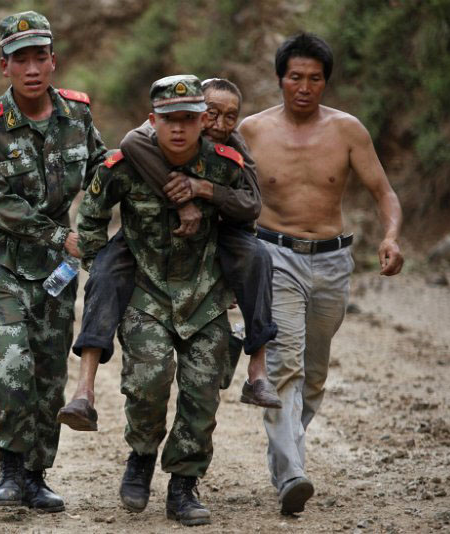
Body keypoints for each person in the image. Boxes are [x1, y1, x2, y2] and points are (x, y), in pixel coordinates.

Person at [58, 78, 282, 438]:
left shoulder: (229, 153)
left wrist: (203, 189)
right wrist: (180, 200)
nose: (219, 124)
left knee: (257, 255)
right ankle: (84, 390)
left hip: (212, 247)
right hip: (144, 248)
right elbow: (129, 147)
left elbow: (251, 205)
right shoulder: (146, 143)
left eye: (230, 117)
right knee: (105, 271)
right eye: (212, 114)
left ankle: (257, 369)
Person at [238, 32, 404, 515]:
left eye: (314, 79)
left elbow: (384, 192)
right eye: (296, 77)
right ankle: (292, 473)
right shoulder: (252, 130)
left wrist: (391, 236)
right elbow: (225, 189)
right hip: (275, 254)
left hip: (332, 260)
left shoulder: (347, 130)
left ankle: (284, 456)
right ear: (280, 79)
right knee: (284, 366)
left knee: (313, 376)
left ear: (326, 82)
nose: (305, 87)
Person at [76, 75, 245, 526]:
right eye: (170, 119)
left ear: (202, 120)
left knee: (202, 394)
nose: (179, 128)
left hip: (205, 294)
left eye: (189, 118)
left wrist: (233, 281)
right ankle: (142, 455)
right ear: (153, 120)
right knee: (148, 381)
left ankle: (184, 484)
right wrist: (104, 269)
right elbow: (90, 218)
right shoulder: (122, 165)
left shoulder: (223, 165)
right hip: (146, 292)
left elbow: (246, 218)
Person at [0, 10, 106, 513]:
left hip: (55, 273)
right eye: (20, 59)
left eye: (39, 57)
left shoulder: (77, 115)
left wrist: (99, 223)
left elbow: (102, 171)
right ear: (4, 66)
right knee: (10, 365)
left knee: (47, 374)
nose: (31, 68)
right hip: (2, 265)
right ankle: (9, 468)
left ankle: (35, 475)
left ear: (53, 61)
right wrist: (62, 236)